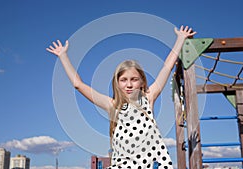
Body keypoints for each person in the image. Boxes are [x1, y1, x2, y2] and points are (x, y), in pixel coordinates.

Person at [46, 25, 196, 169]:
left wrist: (180, 39)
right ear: (117, 83)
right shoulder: (112, 105)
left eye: (134, 79)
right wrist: (63, 56)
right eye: (124, 80)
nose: (129, 85)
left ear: (142, 82)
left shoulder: (148, 98)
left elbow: (167, 66)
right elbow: (78, 84)